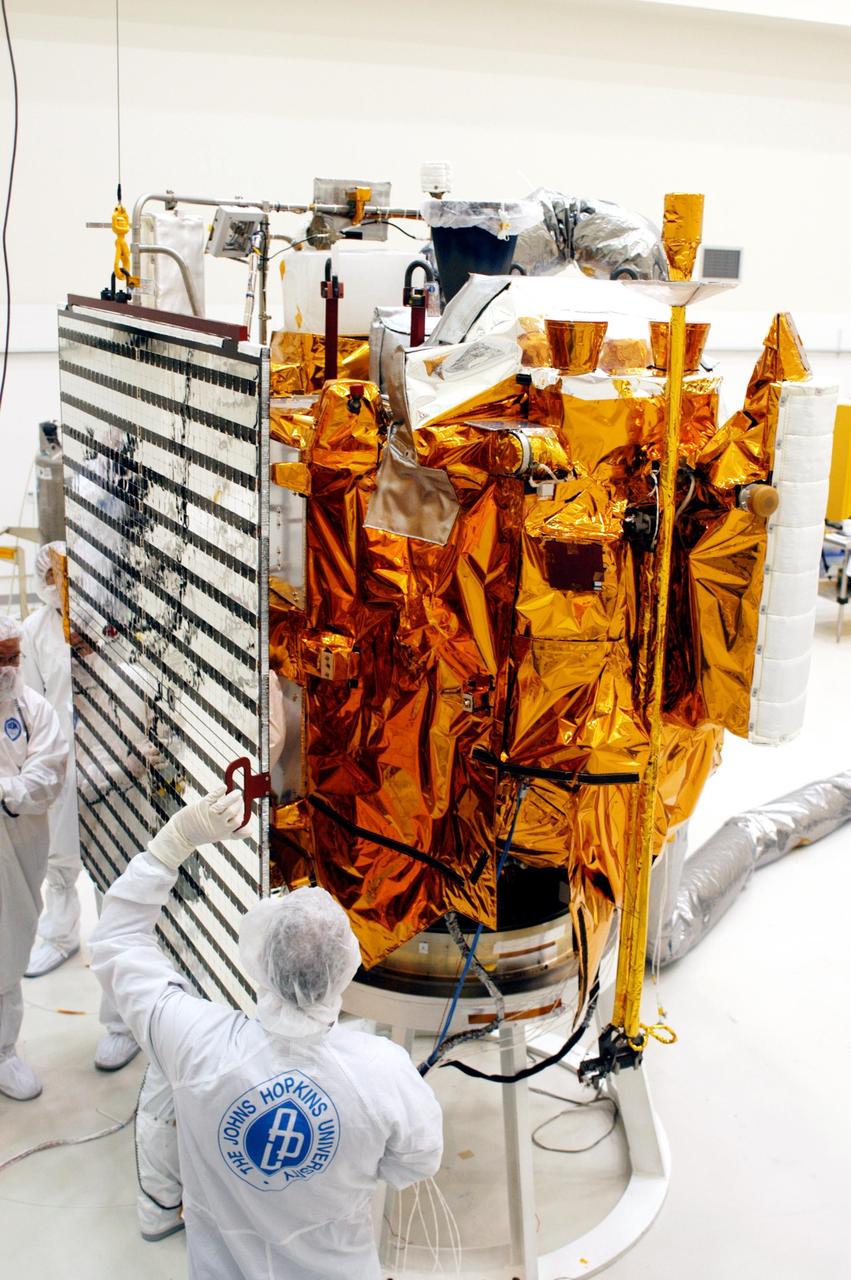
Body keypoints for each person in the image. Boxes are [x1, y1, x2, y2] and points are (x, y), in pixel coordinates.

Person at [90, 787, 443, 1278]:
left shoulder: (195, 1044)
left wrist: (174, 843)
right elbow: (416, 1162)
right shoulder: (382, 1071)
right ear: (347, 965)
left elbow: (118, 940)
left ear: (257, 958)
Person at [21, 543, 140, 1072]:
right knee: (59, 860)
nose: (60, 583)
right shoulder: (35, 630)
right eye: (53, 575)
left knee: (117, 885)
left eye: (68, 574)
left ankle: (122, 1020)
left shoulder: (114, 620)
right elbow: (29, 702)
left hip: (116, 765)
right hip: (64, 765)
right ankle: (61, 935)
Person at [0, 615, 68, 1100]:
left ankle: (3, 1052)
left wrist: (6, 791)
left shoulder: (33, 709)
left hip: (20, 848)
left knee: (9, 944)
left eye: (14, 657)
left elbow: (47, 777)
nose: (8, 668)